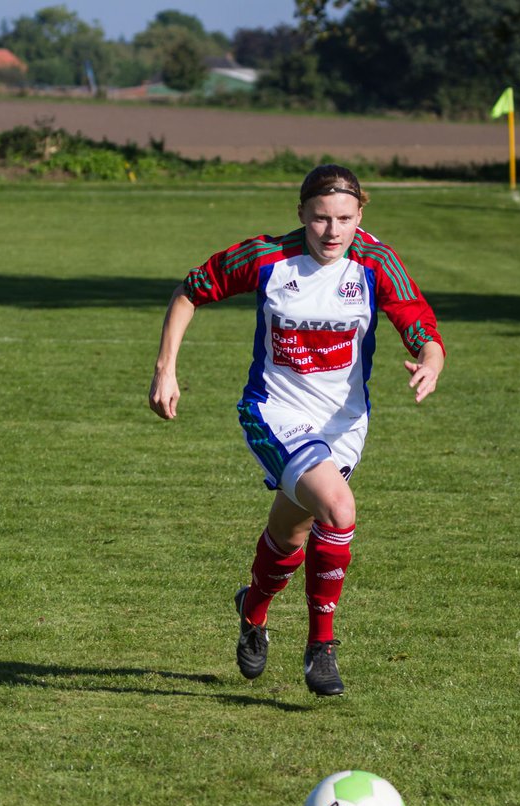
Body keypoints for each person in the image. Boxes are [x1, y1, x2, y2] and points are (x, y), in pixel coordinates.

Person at [148, 165, 445, 696]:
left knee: (294, 531)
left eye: (345, 219)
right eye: (320, 219)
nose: (332, 232)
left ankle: (253, 609)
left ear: (362, 213)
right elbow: (191, 291)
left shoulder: (375, 262)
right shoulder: (266, 258)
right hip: (274, 412)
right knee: (339, 507)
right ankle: (321, 648)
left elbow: (415, 318)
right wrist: (165, 369)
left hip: (344, 424)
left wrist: (430, 356)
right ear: (301, 214)